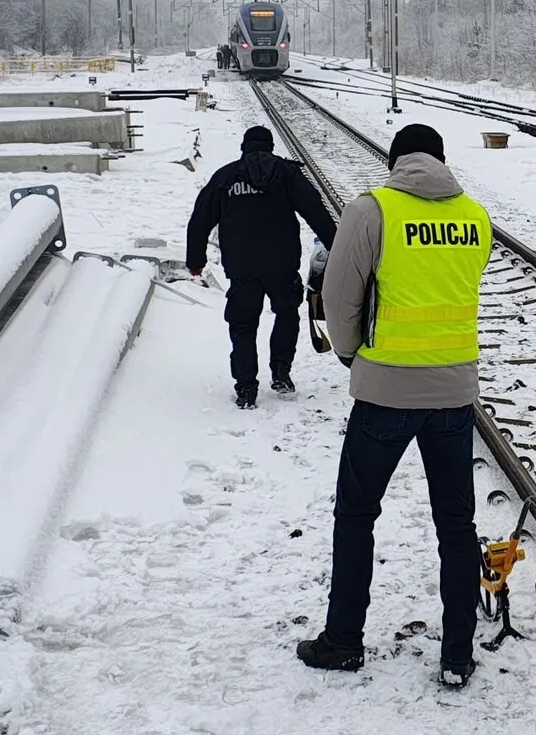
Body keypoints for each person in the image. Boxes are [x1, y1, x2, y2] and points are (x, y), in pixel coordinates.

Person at [298, 124, 491, 689]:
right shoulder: (474, 216)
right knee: (456, 524)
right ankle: (457, 654)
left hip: (385, 393)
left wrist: (352, 355)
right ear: (441, 160)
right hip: (454, 394)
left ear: (395, 161)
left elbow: (339, 297)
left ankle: (343, 641)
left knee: (356, 515)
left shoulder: (371, 210)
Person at [186, 125, 337, 408]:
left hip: (241, 268)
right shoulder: (286, 174)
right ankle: (281, 372)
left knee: (243, 324)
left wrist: (196, 261)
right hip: (282, 265)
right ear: (270, 147)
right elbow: (316, 211)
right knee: (287, 315)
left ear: (244, 148)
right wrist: (337, 248)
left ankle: (245, 386)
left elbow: (200, 220)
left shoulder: (226, 177)